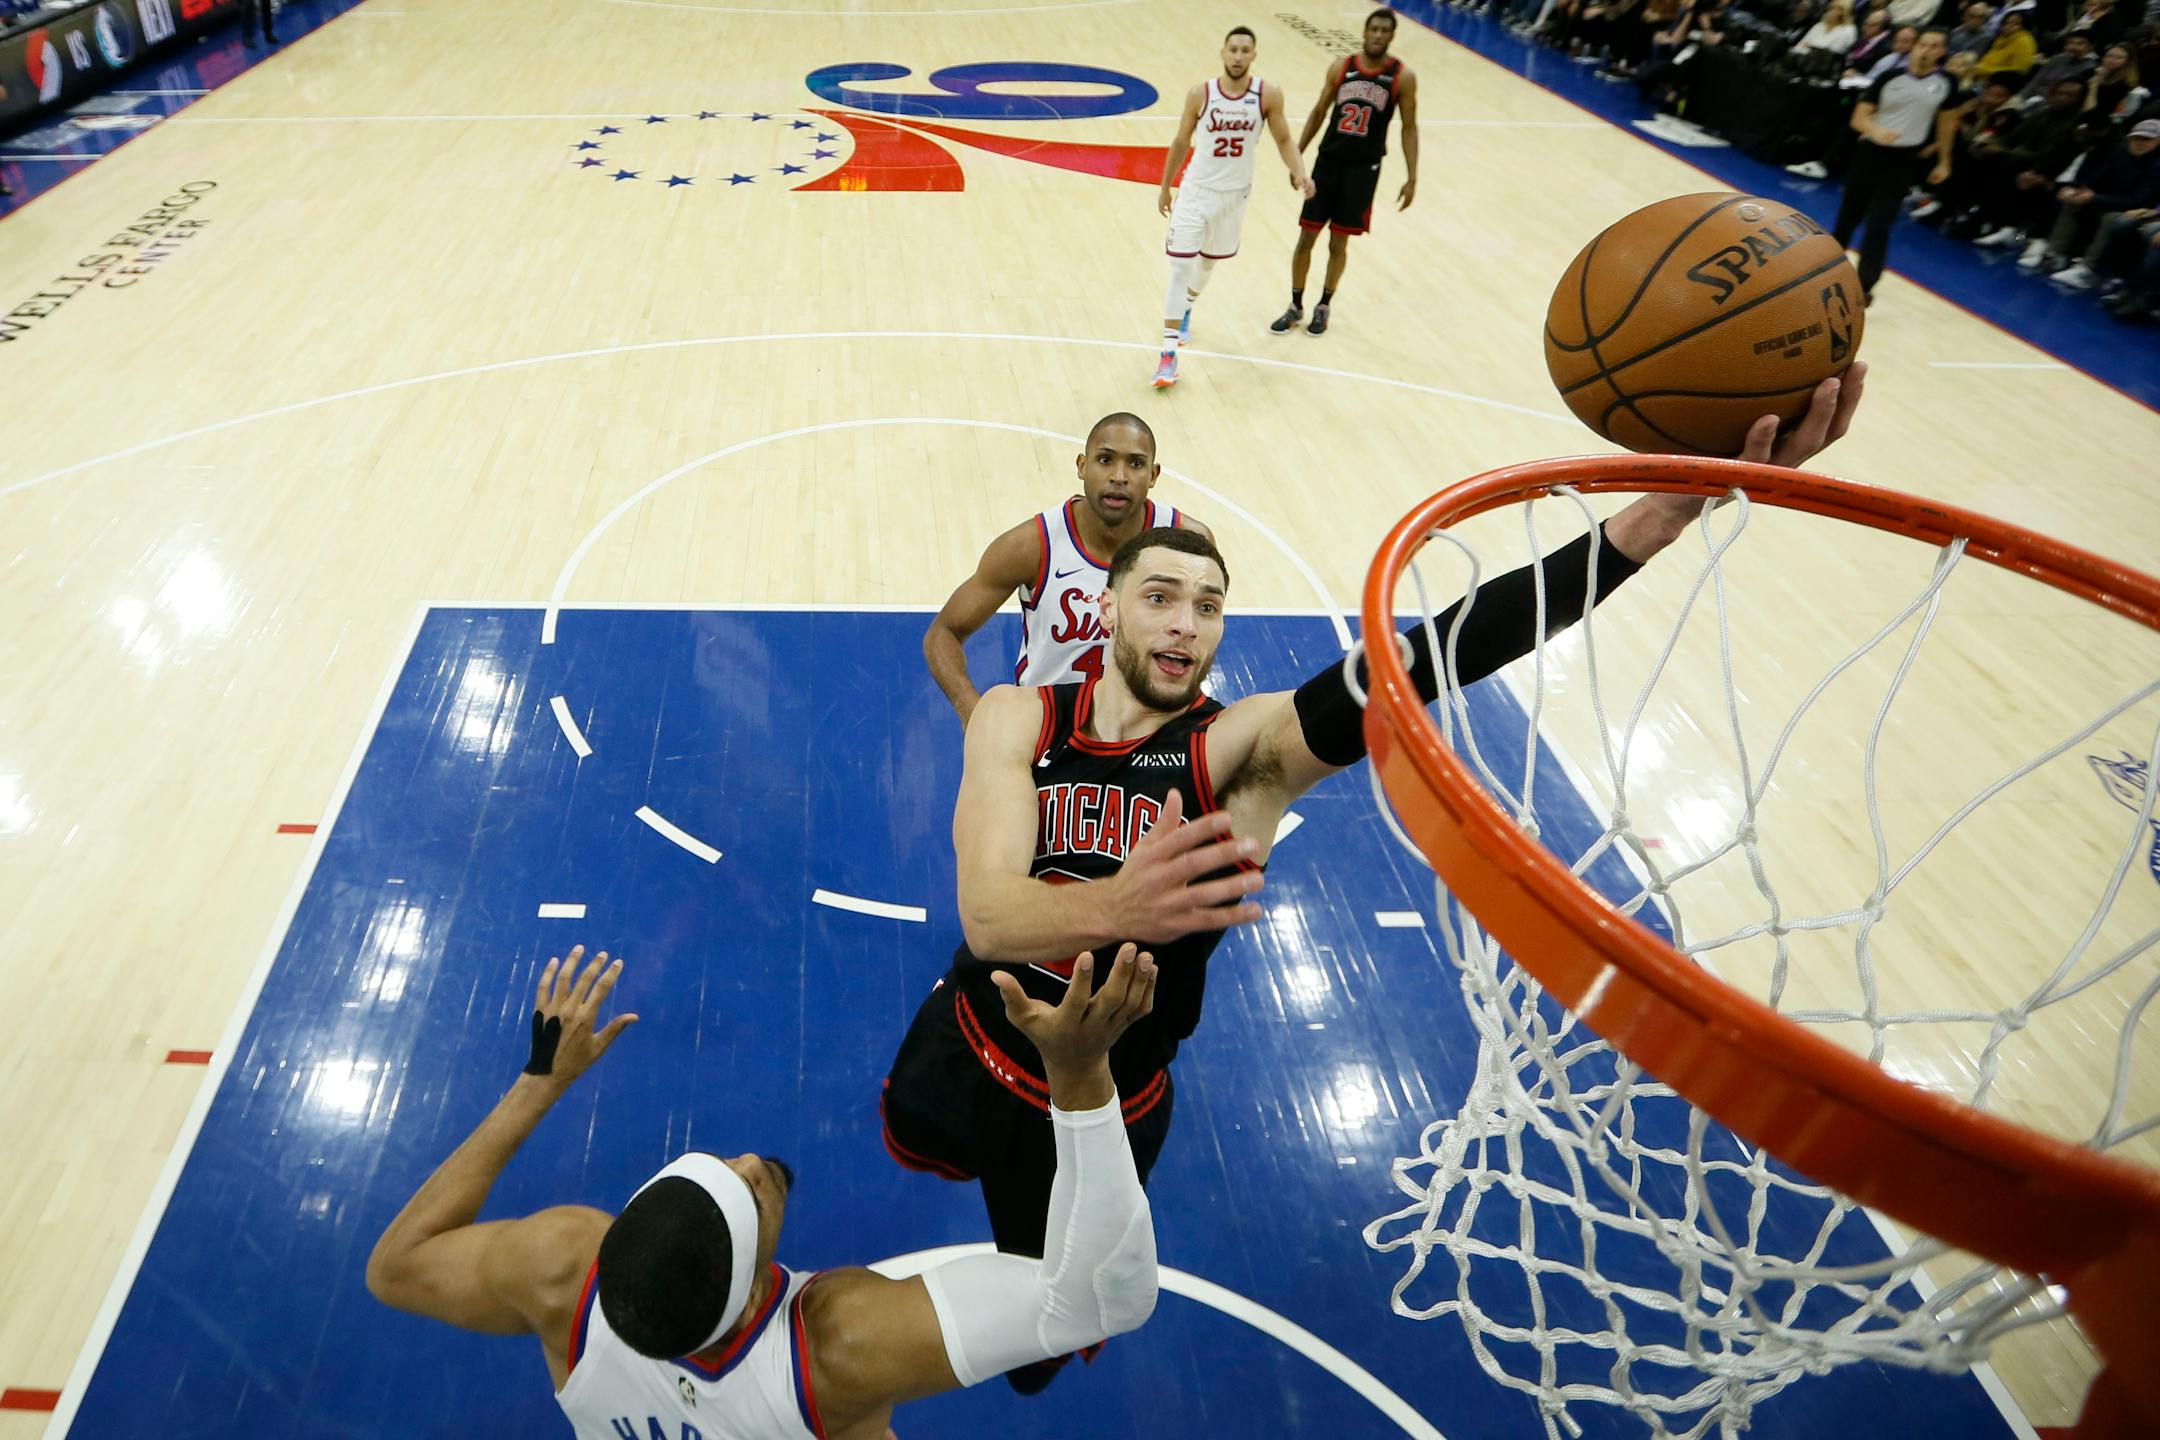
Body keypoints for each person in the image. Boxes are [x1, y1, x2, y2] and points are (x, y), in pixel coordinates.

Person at [881, 370, 1867, 1395]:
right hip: (980, 1046)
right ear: (1108, 608)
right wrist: (1120, 907)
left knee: (1044, 1333)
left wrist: (1655, 521)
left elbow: (1429, 654)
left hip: (1108, 1094)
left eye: (1208, 607)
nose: (1184, 625)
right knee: (957, 1174)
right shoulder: (1017, 717)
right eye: (1160, 598)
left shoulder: (1241, 747)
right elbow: (989, 918)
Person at [367, 944, 1164, 1436]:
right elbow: (1099, 1302)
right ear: (753, 1299)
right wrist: (1081, 1076)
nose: (751, 1161)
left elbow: (397, 1265)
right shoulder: (835, 1349)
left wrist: (540, 1083)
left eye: (722, 1167)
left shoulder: (561, 1275)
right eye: (748, 1193)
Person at [923, 412, 1212, 725]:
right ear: (1082, 466)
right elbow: (943, 632)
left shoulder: (1189, 545)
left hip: (1147, 726)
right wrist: (971, 711)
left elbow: (1204, 633)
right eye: (1104, 460)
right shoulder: (1031, 546)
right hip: (1049, 728)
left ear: (1153, 475)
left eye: (1135, 464)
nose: (1119, 476)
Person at [1152, 27, 1313, 390]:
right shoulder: (1201, 94)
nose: (1238, 56)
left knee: (1207, 265)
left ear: (1254, 55)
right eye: (1233, 50)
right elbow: (1180, 141)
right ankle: (1167, 355)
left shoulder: (1267, 94)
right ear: (1222, 52)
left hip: (1234, 197)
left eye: (1245, 50)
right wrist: (1166, 186)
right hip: (1196, 192)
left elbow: (1284, 138)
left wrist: (1300, 172)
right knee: (1179, 268)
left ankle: (1188, 308)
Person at [1270, 8, 1419, 337]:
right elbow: (1320, 110)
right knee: (1306, 237)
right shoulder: (1342, 67)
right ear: (1364, 32)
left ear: (1391, 36)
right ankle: (1295, 305)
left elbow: (1409, 128)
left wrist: (1412, 177)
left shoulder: (1402, 77)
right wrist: (1297, 157)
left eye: (1384, 31)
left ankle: (1324, 305)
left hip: (1363, 171)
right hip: (1328, 163)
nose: (1378, 35)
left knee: (1338, 243)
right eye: (1374, 29)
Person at [1833, 28, 1964, 302]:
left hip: (1903, 161)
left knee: (1879, 225)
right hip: (1870, 153)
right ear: (1914, 47)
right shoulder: (1889, 77)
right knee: (1847, 217)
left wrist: (1944, 162)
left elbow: (1946, 123)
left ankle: (1863, 286)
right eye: (1923, 44)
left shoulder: (1946, 83)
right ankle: (1823, 270)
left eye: (1934, 45)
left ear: (1942, 51)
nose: (1927, 50)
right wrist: (1875, 130)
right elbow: (1859, 117)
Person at [1972, 9, 2041, 79]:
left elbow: (2019, 71)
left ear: (2025, 26)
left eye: (2016, 24)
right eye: (2006, 23)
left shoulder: (2024, 41)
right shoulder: (2001, 38)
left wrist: (1984, 70)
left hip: (1997, 80)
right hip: (1980, 73)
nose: (2009, 26)